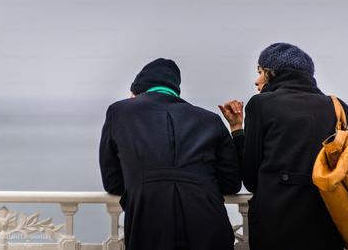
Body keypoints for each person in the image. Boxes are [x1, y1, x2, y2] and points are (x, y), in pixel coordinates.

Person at [218, 43, 348, 250]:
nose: (256, 80)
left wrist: (237, 130)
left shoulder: (261, 105)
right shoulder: (336, 106)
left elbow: (251, 178)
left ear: (272, 73)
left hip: (275, 225)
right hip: (329, 220)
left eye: (260, 72)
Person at [99, 58, 241, 250]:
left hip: (149, 219)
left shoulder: (119, 111)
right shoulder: (210, 120)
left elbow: (113, 182)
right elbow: (231, 183)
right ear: (175, 90)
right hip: (208, 220)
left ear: (136, 92)